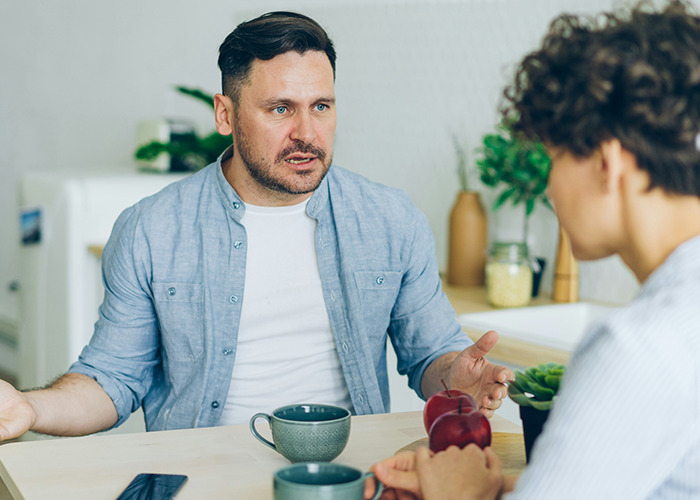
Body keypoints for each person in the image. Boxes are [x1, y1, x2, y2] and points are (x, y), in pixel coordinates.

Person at [0, 11, 512, 442]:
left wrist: (456, 377)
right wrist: (30, 407)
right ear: (225, 114)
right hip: (200, 476)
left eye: (321, 107)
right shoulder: (151, 230)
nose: (306, 134)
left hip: (349, 475)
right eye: (280, 108)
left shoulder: (392, 221)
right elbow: (111, 380)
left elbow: (431, 355)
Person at [368, 1, 700, 498]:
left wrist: (455, 493)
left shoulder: (637, 350)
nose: (548, 187)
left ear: (606, 163)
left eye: (553, 156)